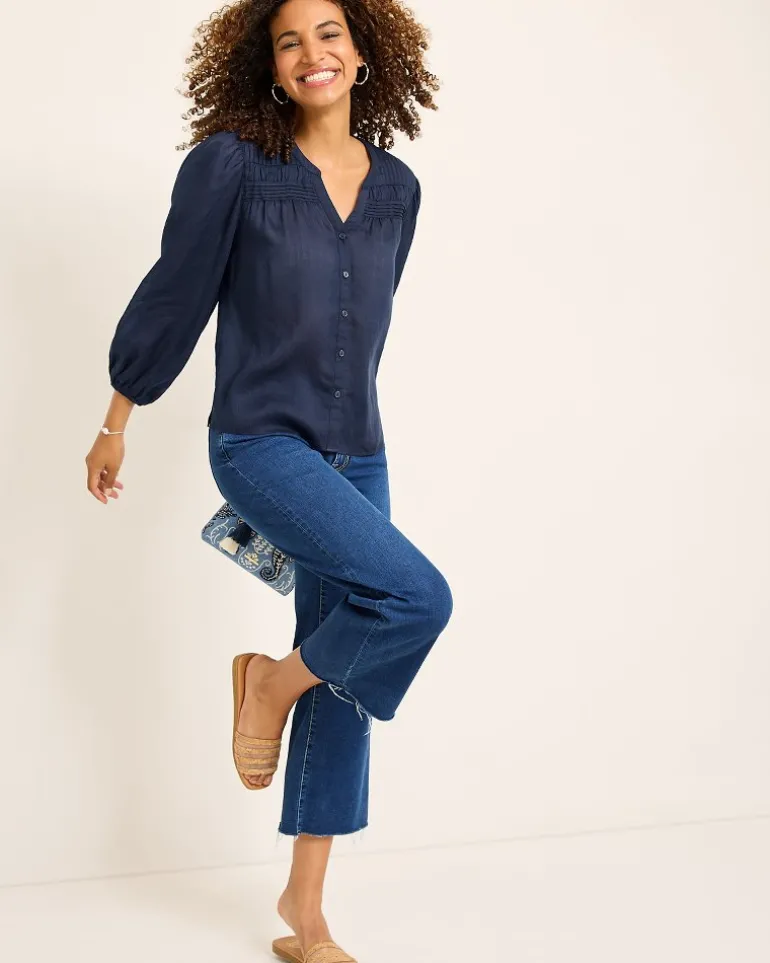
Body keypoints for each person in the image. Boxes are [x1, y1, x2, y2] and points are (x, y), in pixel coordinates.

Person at [84, 1, 452, 960]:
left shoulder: (399, 189)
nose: (310, 52)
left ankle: (304, 909)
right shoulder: (233, 166)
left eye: (328, 34)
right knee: (417, 598)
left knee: (347, 671)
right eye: (289, 41)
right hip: (260, 443)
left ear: (363, 54)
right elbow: (175, 292)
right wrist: (118, 417)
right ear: (270, 65)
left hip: (359, 452)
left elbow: (364, 323)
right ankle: (267, 687)